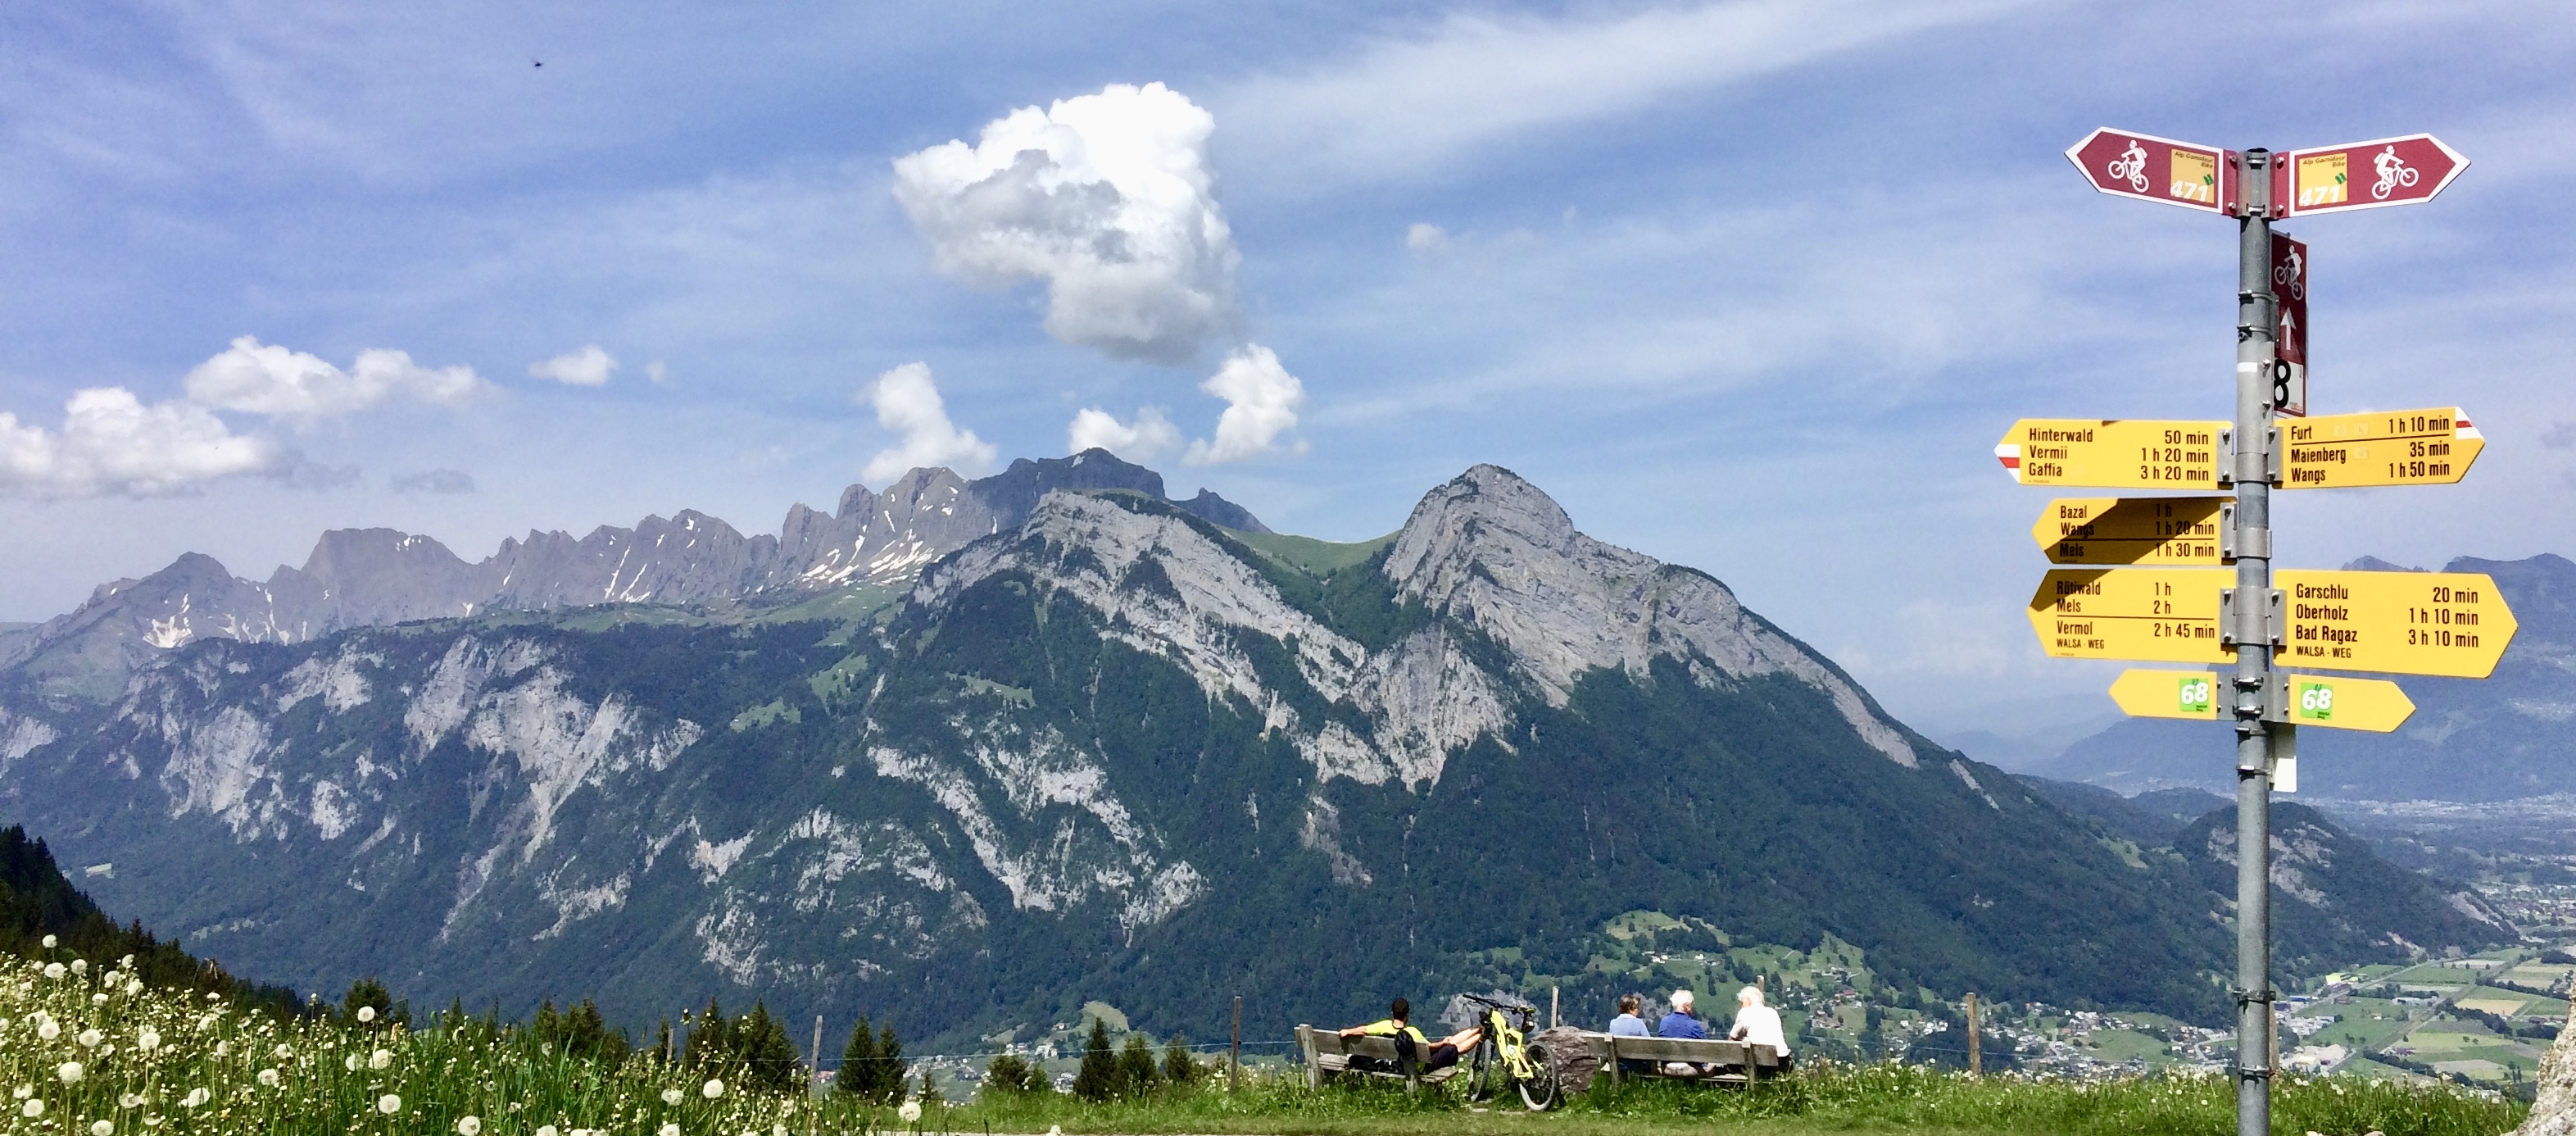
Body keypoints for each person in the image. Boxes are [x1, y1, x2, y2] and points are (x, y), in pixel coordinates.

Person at [1338, 999, 1485, 1076]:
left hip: (1389, 1066)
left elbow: (1364, 1030)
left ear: (1392, 1013)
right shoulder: (1412, 1032)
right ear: (1407, 1015)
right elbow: (1428, 1049)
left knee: (1450, 1043)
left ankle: (1479, 1030)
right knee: (1453, 1048)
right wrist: (1442, 1043)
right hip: (1415, 1068)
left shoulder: (1383, 1026)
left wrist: (1347, 1031)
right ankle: (1481, 1034)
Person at [1727, 985, 1794, 1075]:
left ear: (1748, 1000)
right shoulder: (1772, 1012)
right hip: (1782, 1062)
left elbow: (1732, 1039)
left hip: (1761, 1064)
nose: (1741, 1005)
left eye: (1742, 1002)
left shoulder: (1745, 1012)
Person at [1656, 990, 1708, 1076]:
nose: (1693, 1007)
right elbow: (1705, 1050)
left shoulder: (1664, 1022)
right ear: (1686, 1006)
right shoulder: (1694, 1025)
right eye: (1692, 1004)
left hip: (1667, 1068)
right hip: (1689, 1070)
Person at [1607, 994, 1652, 1075]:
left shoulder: (1613, 1023)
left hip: (1619, 1063)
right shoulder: (1639, 1023)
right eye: (1636, 1008)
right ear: (1630, 1009)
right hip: (1637, 1064)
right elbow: (1649, 1044)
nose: (1638, 1010)